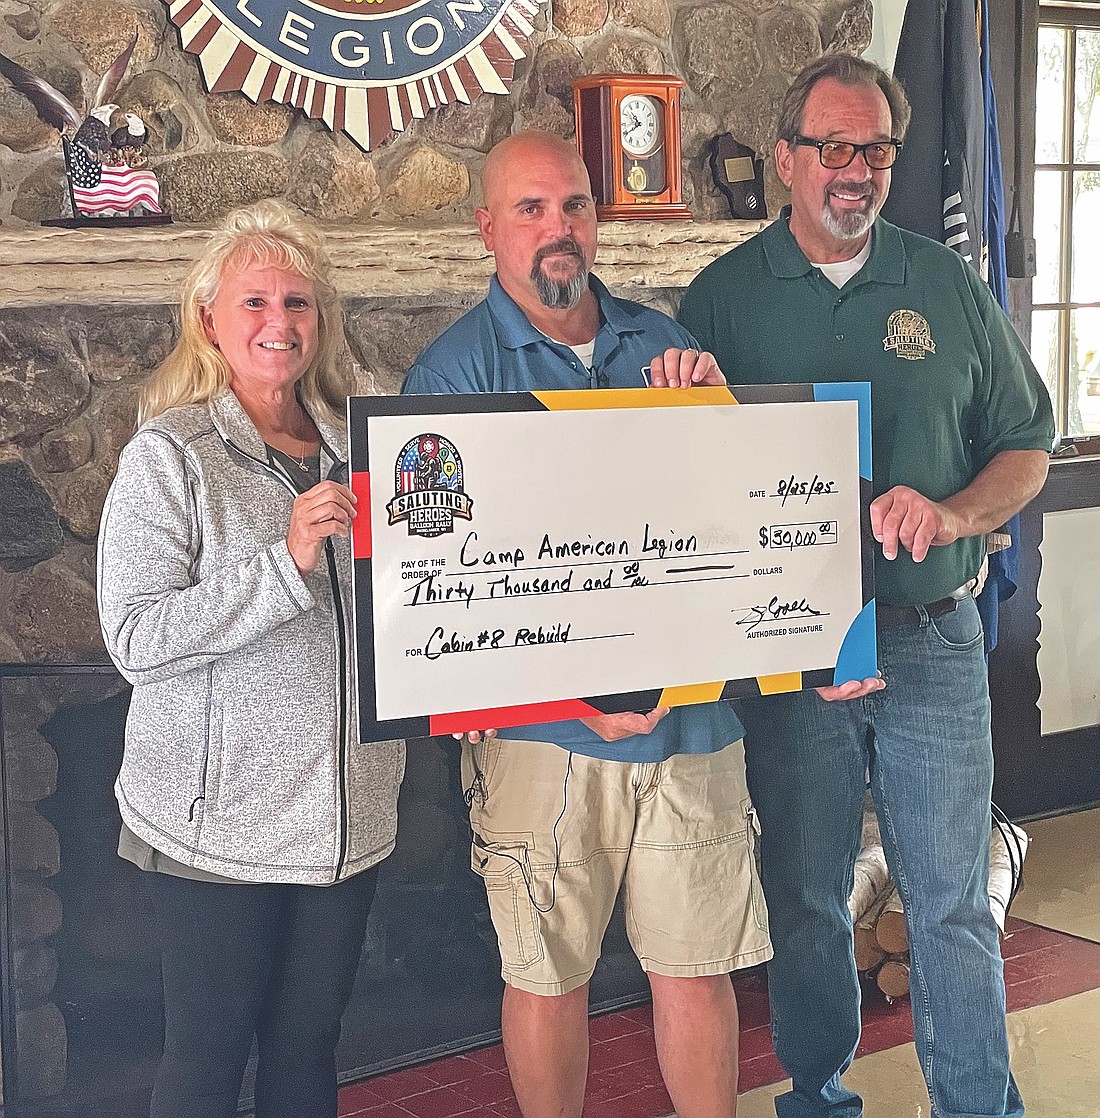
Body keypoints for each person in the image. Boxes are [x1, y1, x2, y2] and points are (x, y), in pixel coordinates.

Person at [673, 54, 1055, 1118]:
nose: (856, 170)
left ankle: (976, 1105)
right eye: (831, 147)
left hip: (931, 634)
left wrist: (955, 513)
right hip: (790, 657)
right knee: (802, 900)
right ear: (786, 157)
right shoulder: (721, 299)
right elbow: (680, 484)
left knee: (947, 906)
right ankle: (816, 1095)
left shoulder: (941, 284)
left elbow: (1027, 440)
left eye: (875, 149)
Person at [402, 131, 772, 1118]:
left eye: (571, 205)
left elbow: (740, 527)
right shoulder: (446, 381)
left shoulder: (667, 347)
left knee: (697, 968)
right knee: (545, 974)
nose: (556, 228)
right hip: (541, 741)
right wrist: (569, 695)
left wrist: (718, 418)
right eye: (529, 209)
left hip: (690, 724)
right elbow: (438, 594)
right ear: (486, 226)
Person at [97, 200, 405, 1118]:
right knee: (206, 1056)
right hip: (216, 833)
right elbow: (135, 639)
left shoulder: (367, 446)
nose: (281, 324)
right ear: (209, 321)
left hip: (349, 818)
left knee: (310, 1048)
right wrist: (284, 562)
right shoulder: (171, 457)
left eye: (300, 303)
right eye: (255, 303)